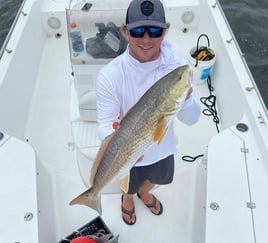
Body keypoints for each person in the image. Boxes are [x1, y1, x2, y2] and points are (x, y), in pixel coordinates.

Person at [96, 0, 201, 225]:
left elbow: (192, 120)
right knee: (129, 185)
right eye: (137, 30)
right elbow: (104, 124)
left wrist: (188, 98)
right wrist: (120, 142)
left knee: (157, 179)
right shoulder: (110, 75)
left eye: (154, 31)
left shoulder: (176, 68)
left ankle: (145, 192)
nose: (146, 39)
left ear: (164, 32)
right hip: (128, 152)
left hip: (163, 149)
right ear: (126, 32)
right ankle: (128, 198)